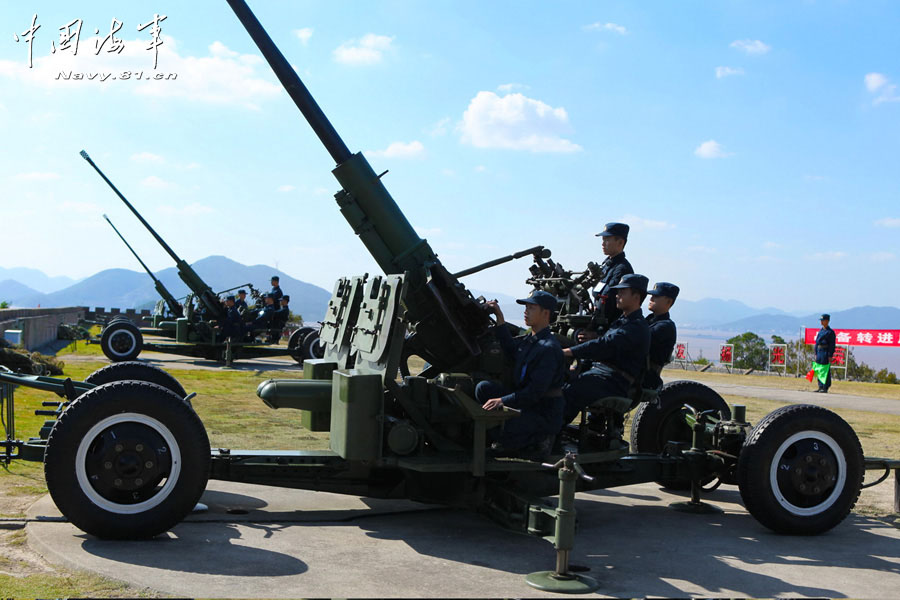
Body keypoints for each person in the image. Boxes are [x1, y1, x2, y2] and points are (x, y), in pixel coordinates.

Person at [478, 290, 565, 460]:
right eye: (526, 308)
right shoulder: (532, 340)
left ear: (545, 313)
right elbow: (512, 350)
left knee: (509, 425)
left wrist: (502, 401)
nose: (526, 312)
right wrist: (500, 319)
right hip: (528, 403)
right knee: (484, 389)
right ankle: (508, 437)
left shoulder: (548, 348)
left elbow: (535, 392)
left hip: (542, 411)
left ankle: (538, 441)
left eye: (531, 308)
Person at [562, 274, 651, 430]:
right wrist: (578, 368)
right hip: (604, 374)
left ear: (636, 297)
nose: (617, 295)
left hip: (616, 381)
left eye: (622, 292)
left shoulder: (636, 327)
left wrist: (569, 352)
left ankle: (550, 435)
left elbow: (603, 345)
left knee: (572, 391)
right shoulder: (623, 321)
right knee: (561, 381)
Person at [577, 222, 633, 342]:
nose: (603, 243)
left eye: (607, 239)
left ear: (620, 242)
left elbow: (611, 303)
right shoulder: (606, 266)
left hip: (610, 329)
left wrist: (600, 335)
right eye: (603, 239)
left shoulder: (622, 269)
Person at [645, 282, 679, 390]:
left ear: (668, 301)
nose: (651, 299)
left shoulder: (665, 327)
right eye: (651, 296)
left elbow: (638, 338)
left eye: (656, 296)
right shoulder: (648, 320)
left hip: (646, 378)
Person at [814, 313, 836, 393]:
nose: (821, 322)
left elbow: (832, 345)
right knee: (819, 369)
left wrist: (830, 355)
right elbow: (817, 342)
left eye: (823, 320)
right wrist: (816, 352)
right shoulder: (821, 331)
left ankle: (825, 386)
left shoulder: (830, 332)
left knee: (825, 369)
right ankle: (820, 386)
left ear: (827, 321)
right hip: (819, 351)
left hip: (825, 351)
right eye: (821, 321)